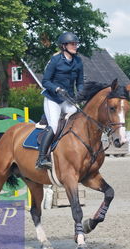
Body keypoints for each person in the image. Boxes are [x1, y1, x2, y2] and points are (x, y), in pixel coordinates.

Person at [36, 32, 84, 169]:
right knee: (54, 126)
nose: (75, 46)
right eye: (73, 44)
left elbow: (80, 82)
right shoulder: (55, 60)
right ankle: (41, 158)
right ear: (64, 46)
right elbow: (45, 81)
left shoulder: (78, 61)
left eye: (76, 44)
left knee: (81, 118)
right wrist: (56, 89)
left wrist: (81, 94)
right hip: (53, 99)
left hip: (68, 100)